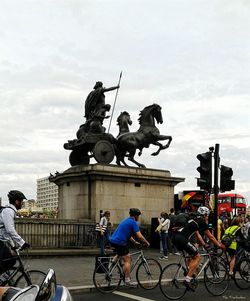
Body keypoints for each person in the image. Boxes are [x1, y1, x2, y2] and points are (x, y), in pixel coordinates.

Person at [172, 206, 225, 291]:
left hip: (176, 238)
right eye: (207, 215)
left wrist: (204, 244)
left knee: (191, 255)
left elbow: (198, 235)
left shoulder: (193, 220)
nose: (207, 217)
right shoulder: (202, 222)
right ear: (204, 215)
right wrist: (219, 245)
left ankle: (189, 272)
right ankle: (187, 279)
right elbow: (211, 237)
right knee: (198, 257)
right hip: (182, 239)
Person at [109, 208, 150, 286]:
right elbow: (140, 236)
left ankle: (110, 266)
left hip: (113, 240)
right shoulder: (133, 222)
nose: (139, 217)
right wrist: (147, 242)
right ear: (135, 216)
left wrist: (134, 242)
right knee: (127, 259)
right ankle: (127, 280)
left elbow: (128, 235)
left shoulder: (126, 220)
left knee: (120, 254)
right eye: (138, 216)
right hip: (120, 242)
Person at [0, 190, 30, 279]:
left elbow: (6, 232)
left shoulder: (9, 211)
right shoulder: (9, 211)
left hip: (2, 241)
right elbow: (10, 230)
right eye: (21, 202)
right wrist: (22, 243)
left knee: (9, 259)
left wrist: (13, 246)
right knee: (10, 260)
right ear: (17, 201)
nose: (22, 204)